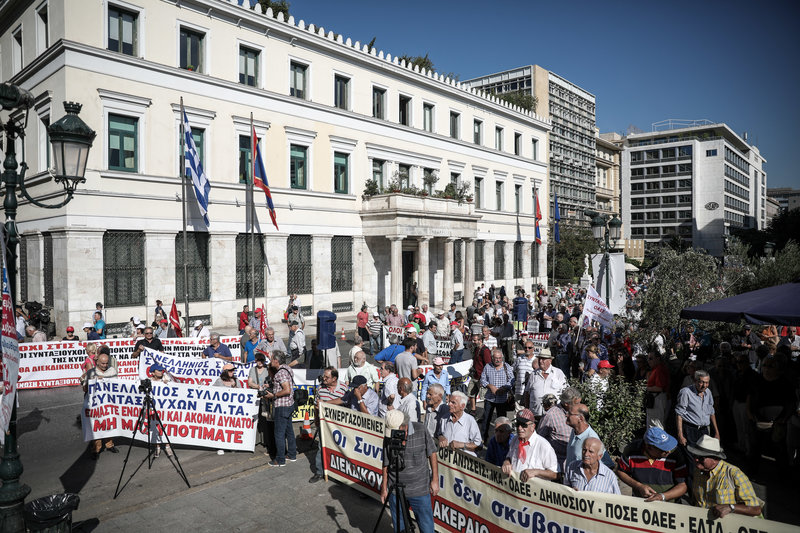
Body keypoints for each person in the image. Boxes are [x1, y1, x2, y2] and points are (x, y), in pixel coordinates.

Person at [380, 410, 438, 533]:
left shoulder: (421, 430)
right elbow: (386, 463)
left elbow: (432, 453)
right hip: (395, 490)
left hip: (419, 489)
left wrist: (435, 480)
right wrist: (384, 487)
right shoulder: (389, 436)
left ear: (404, 426)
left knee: (426, 528)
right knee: (400, 528)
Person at [689, 436, 763, 518]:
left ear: (715, 458)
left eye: (701, 458)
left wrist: (731, 507)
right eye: (694, 455)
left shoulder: (734, 474)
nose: (696, 460)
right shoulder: (697, 472)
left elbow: (755, 509)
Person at [616, 427, 688, 503]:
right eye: (663, 449)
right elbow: (621, 471)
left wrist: (662, 496)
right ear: (649, 447)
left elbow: (683, 485)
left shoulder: (675, 453)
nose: (668, 451)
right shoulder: (631, 451)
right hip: (640, 503)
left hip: (669, 506)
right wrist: (639, 486)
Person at [310, 366, 349, 483]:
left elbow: (345, 402)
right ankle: (319, 471)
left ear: (334, 379)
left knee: (340, 448)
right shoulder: (321, 388)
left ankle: (340, 473)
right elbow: (317, 405)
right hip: (324, 424)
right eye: (323, 376)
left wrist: (326, 403)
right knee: (321, 447)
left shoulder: (343, 388)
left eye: (327, 377)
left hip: (339, 425)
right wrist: (316, 417)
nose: (324, 379)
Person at [501, 408, 558, 482]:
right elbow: (509, 456)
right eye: (517, 424)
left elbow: (555, 474)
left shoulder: (544, 446)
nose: (519, 428)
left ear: (533, 426)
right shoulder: (515, 440)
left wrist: (536, 472)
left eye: (523, 425)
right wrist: (507, 462)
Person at [261, 351, 296, 467]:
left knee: (279, 434)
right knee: (289, 431)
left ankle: (280, 459)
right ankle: (291, 454)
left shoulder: (280, 373)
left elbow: (287, 390)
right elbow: (284, 385)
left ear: (276, 361)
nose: (270, 362)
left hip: (282, 406)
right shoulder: (287, 368)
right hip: (290, 404)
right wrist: (272, 386)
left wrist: (273, 395)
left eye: (271, 360)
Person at [82, 353, 119, 458]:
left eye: (106, 363)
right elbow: (84, 389)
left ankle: (109, 444)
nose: (104, 365)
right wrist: (93, 381)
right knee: (96, 426)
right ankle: (96, 449)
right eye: (102, 363)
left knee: (109, 423)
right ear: (97, 362)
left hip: (108, 403)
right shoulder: (91, 372)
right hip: (96, 404)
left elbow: (117, 385)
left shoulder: (112, 371)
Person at [537, 387, 581, 470]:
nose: (579, 406)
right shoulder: (551, 415)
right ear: (566, 404)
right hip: (559, 463)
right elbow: (539, 438)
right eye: (576, 403)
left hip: (576, 461)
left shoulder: (578, 412)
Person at [675, 369, 719, 448]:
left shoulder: (708, 392)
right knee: (691, 457)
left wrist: (716, 432)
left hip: (704, 431)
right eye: (701, 382)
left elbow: (711, 412)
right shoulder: (686, 392)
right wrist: (680, 435)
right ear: (695, 381)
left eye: (707, 383)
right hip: (690, 430)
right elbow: (679, 414)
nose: (704, 385)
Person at [480, 348, 514, 439]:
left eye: (499, 358)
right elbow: (482, 379)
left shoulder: (507, 367)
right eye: (496, 358)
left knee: (502, 421)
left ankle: (503, 439)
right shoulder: (487, 366)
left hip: (502, 399)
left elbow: (512, 380)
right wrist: (490, 386)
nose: (498, 360)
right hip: (490, 398)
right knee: (486, 420)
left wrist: (505, 388)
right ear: (492, 358)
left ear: (502, 358)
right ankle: (483, 439)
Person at [524, 348, 567, 417]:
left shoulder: (558, 373)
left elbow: (566, 392)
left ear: (550, 361)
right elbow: (527, 392)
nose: (540, 361)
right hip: (536, 413)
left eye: (543, 359)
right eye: (539, 359)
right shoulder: (533, 374)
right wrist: (527, 409)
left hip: (554, 415)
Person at [438, 392, 482, 456]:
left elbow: (478, 445)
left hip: (463, 461)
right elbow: (440, 433)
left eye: (453, 402)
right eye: (449, 401)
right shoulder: (444, 418)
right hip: (447, 459)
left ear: (462, 406)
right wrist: (441, 437)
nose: (449, 404)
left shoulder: (470, 420)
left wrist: (461, 445)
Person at [645, 351, 670, 428]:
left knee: (656, 425)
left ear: (657, 359)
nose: (648, 361)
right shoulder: (655, 369)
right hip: (655, 399)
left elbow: (660, 388)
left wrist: (644, 388)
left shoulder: (659, 369)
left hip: (657, 399)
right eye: (648, 359)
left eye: (651, 358)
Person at [468, 334, 492, 414]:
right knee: (471, 394)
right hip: (474, 376)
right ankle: (473, 410)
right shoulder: (476, 349)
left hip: (481, 377)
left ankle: (484, 415)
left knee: (484, 397)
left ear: (480, 340)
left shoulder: (485, 351)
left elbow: (488, 365)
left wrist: (484, 378)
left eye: (475, 340)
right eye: (473, 340)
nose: (473, 342)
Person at [513, 340, 539, 411]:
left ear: (533, 349)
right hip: (519, 390)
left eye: (529, 348)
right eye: (525, 347)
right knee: (518, 411)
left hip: (531, 391)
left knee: (529, 411)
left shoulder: (537, 360)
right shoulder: (519, 359)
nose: (527, 349)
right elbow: (512, 370)